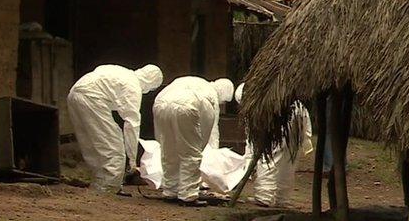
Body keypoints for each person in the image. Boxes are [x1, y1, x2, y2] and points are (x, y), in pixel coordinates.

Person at [67, 64, 163, 194]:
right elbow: (132, 124)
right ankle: (110, 188)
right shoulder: (133, 86)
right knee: (113, 146)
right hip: (92, 98)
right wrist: (132, 160)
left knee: (91, 144)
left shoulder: (120, 71)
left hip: (74, 93)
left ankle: (99, 184)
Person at [153, 76, 234, 207]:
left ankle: (170, 191)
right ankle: (187, 195)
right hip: (188, 106)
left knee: (168, 150)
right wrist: (204, 150)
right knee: (191, 154)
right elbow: (210, 130)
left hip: (160, 102)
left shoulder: (197, 82)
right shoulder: (211, 95)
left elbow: (161, 136)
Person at [235, 83, 313, 207]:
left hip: (280, 118)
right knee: (289, 160)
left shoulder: (259, 106)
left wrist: (248, 160)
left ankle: (264, 196)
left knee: (269, 156)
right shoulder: (278, 94)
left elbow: (253, 140)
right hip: (299, 115)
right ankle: (282, 198)